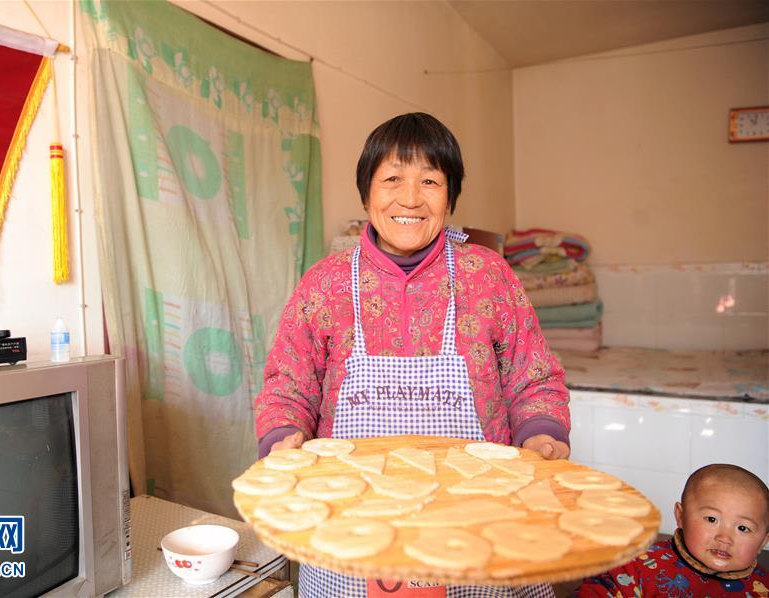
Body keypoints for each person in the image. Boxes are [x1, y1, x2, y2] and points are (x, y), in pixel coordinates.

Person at [253, 112, 570, 597]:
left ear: (451, 196)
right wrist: (283, 435)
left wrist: (541, 433)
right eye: (392, 179)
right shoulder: (326, 282)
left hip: (475, 519)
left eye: (429, 180)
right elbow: (288, 383)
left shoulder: (488, 276)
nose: (410, 198)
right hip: (352, 525)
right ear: (367, 193)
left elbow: (533, 378)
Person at [573, 463, 769, 597]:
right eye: (712, 519)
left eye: (743, 528)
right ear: (681, 516)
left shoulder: (763, 587)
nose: (724, 538)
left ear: (763, 541)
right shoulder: (636, 567)